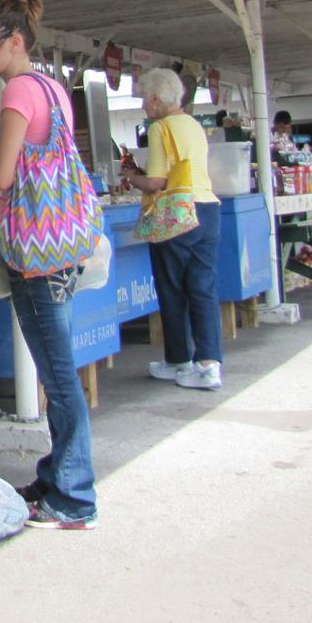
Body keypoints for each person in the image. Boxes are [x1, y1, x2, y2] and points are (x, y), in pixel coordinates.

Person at [0, 0, 99, 531]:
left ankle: (73, 496)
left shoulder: (16, 92)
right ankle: (55, 477)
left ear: (13, 41)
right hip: (65, 245)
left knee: (60, 376)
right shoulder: (52, 87)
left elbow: (2, 176)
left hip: (37, 254)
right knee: (59, 367)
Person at [123, 68, 223, 390]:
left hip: (177, 213)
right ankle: (209, 365)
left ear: (155, 98)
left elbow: (156, 182)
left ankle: (177, 359)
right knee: (202, 288)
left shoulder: (160, 127)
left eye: (144, 100)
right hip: (207, 208)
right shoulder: (193, 125)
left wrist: (132, 178)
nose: (143, 107)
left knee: (172, 289)